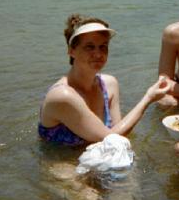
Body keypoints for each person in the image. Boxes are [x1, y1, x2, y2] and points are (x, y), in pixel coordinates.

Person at [39, 14, 171, 145]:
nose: (98, 54)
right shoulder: (62, 96)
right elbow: (111, 138)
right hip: (62, 161)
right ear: (71, 51)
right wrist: (148, 98)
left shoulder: (109, 85)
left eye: (103, 46)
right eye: (89, 47)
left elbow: (118, 133)